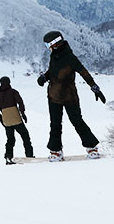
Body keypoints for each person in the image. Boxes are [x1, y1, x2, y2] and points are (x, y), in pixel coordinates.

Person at [38, 31, 107, 161]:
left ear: (55, 43)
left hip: (69, 97)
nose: (48, 49)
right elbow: (52, 71)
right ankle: (56, 151)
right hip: (53, 96)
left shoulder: (70, 58)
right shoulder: (54, 56)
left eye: (48, 46)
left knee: (77, 121)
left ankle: (92, 147)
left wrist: (94, 87)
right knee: (55, 124)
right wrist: (44, 77)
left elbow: (83, 72)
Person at [0, 76, 34, 164]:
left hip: (7, 121)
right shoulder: (13, 92)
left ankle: (8, 157)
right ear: (9, 82)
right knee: (25, 136)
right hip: (16, 119)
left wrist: (1, 119)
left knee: (10, 140)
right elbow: (20, 102)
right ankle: (29, 156)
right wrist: (23, 114)